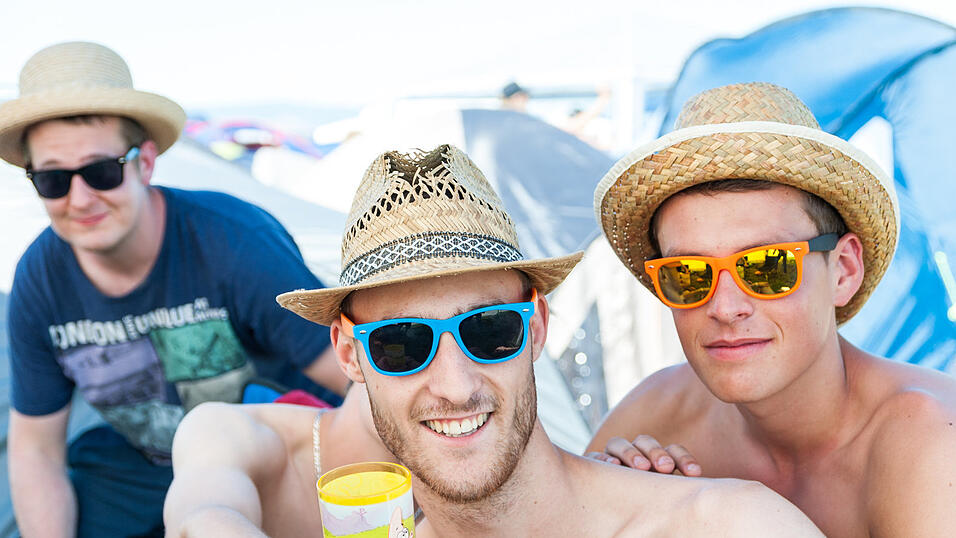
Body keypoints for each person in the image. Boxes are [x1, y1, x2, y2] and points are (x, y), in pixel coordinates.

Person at [164, 144, 823, 536]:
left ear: (534, 327)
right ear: (349, 354)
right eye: (401, 343)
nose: (454, 384)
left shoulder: (725, 527)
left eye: (489, 331)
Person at [1, 41, 347, 537]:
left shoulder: (233, 239)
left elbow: (352, 378)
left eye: (101, 171)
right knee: (87, 464)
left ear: (145, 162)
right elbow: (36, 447)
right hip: (148, 462)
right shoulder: (40, 279)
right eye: (54, 180)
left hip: (272, 449)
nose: (80, 199)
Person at [589, 82, 956, 537]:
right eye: (688, 274)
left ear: (843, 270)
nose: (725, 307)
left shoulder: (932, 443)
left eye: (767, 266)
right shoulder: (656, 417)